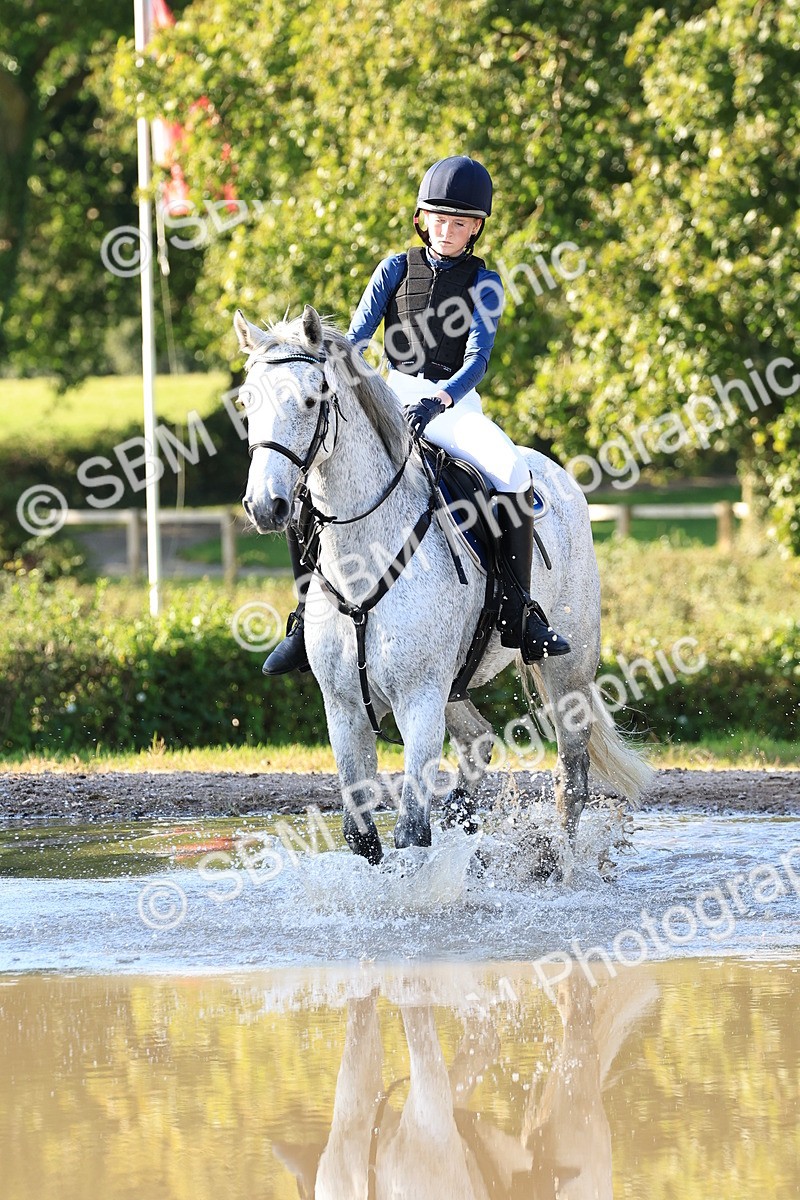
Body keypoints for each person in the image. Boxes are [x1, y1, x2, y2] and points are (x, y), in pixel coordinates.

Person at [263, 155, 570, 675]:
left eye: (460, 223)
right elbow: (358, 339)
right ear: (421, 218)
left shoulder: (485, 283)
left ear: (476, 229)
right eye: (439, 219)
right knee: (310, 480)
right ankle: (302, 618)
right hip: (387, 394)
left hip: (451, 402)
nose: (447, 231)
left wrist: (442, 399)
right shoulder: (395, 269)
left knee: (512, 471)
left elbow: (478, 359)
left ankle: (519, 612)